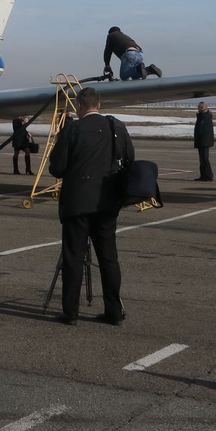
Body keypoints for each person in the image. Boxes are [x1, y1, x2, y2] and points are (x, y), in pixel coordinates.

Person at [48, 87, 134, 326]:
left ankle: (70, 312)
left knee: (73, 257)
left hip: (77, 203)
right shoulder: (116, 127)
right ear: (99, 105)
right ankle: (114, 311)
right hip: (107, 203)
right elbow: (129, 159)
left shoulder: (72, 130)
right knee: (108, 257)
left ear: (79, 106)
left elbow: (57, 168)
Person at [193, 101, 215, 181]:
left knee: (204, 159)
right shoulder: (204, 115)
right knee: (202, 159)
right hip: (203, 141)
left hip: (204, 141)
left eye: (199, 107)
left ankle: (207, 175)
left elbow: (201, 130)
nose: (198, 109)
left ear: (202, 107)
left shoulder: (205, 116)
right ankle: (204, 175)